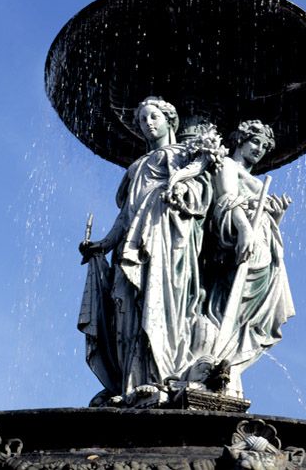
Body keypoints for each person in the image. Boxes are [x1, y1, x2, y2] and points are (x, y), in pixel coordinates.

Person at [78, 97, 214, 403]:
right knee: (128, 309)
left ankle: (167, 375)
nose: (148, 125)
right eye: (142, 121)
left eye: (153, 118)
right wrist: (103, 244)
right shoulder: (137, 167)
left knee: (166, 305)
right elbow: (126, 215)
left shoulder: (185, 155)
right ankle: (133, 382)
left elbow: (201, 198)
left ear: (170, 120)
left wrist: (181, 191)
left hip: (169, 241)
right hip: (132, 246)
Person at [207, 120, 295, 397]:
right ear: (240, 140)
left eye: (264, 146)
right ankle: (214, 353)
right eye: (254, 142)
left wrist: (277, 216)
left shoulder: (258, 181)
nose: (259, 149)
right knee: (226, 304)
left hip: (265, 249)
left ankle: (228, 359)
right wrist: (244, 229)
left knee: (251, 315)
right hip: (240, 242)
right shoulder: (226, 166)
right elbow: (227, 199)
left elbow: (267, 220)